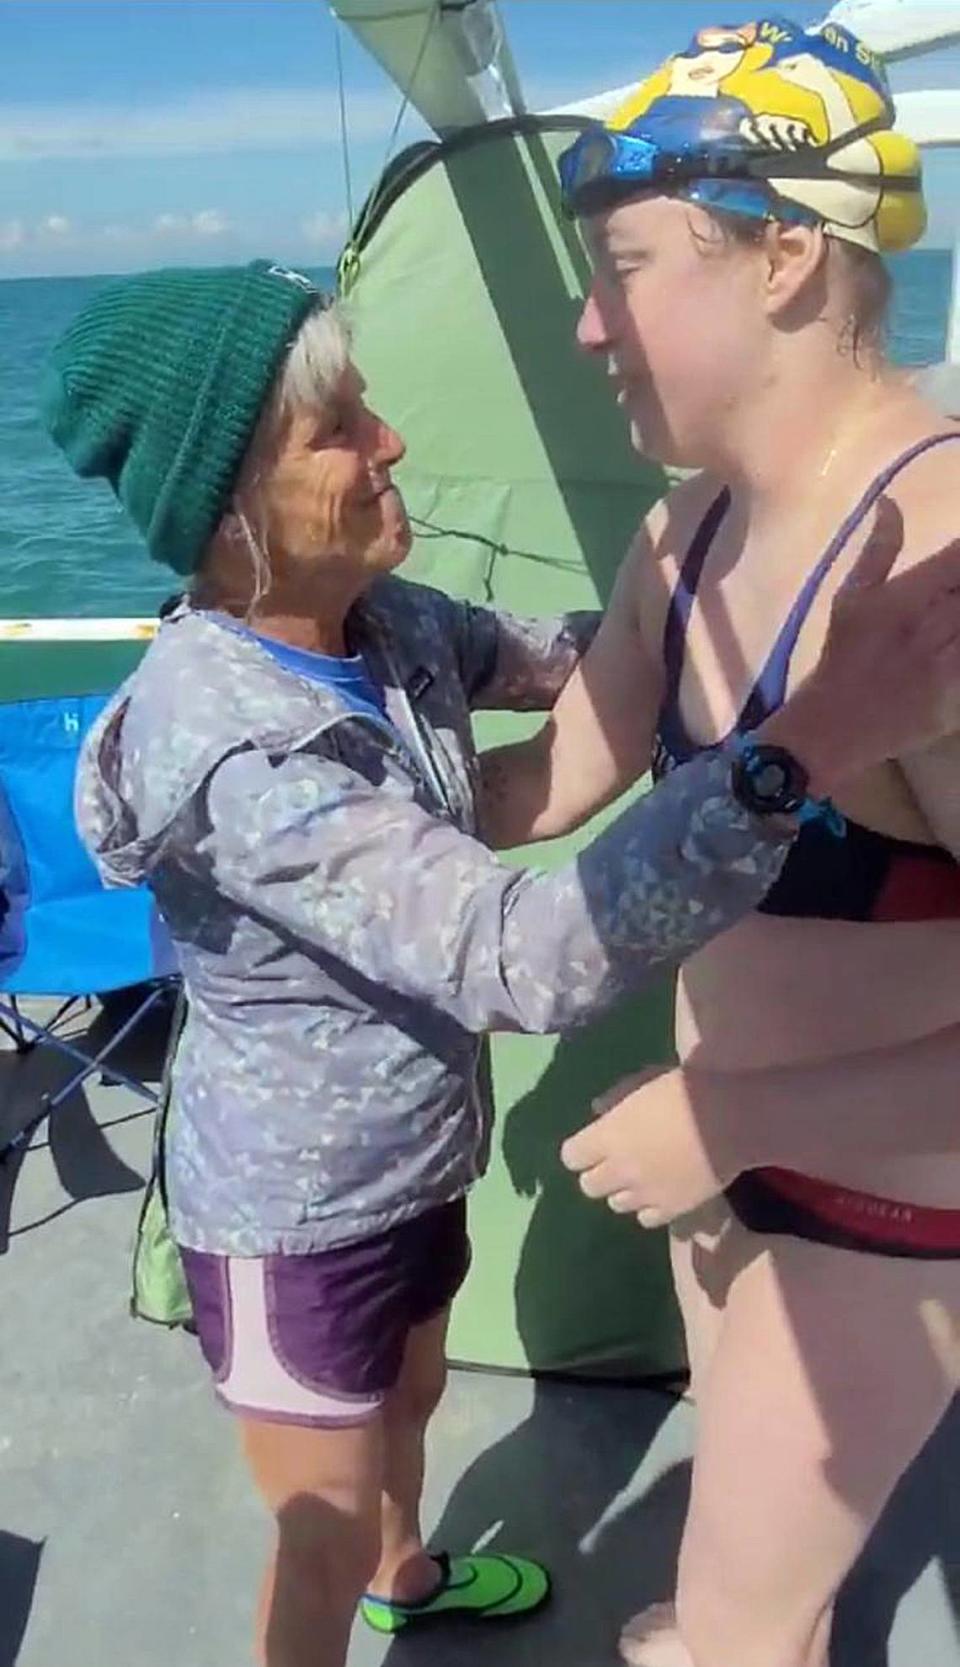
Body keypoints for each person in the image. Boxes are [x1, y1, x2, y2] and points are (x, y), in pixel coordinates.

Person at [45, 255, 958, 1667]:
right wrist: (806, 745)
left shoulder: (383, 620)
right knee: (321, 1525)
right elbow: (512, 957)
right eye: (337, 424)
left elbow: (586, 661)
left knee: (409, 1401)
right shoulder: (232, 751)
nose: (388, 438)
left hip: (417, 1157)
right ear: (231, 504)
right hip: (291, 1215)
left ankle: (409, 1579)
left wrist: (745, 603)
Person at [480, 16, 960, 1667]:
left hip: (880, 1207)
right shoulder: (685, 531)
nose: (585, 322)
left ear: (783, 261)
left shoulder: (942, 570)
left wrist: (734, 1111)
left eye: (620, 264)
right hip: (722, 1168)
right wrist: (308, 759)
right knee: (778, 1600)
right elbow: (546, 784)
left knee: (727, 1637)